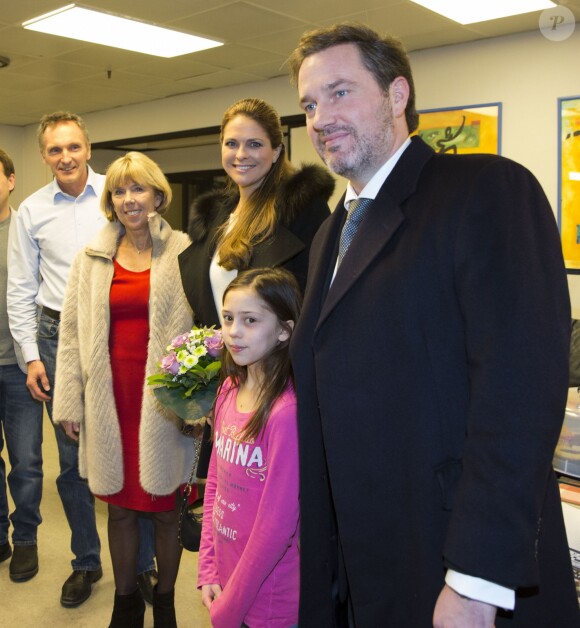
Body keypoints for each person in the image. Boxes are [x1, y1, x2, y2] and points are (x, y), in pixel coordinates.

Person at [287, 23, 579, 627]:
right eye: (310, 104)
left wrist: (477, 579)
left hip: (449, 555)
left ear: (398, 95)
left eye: (340, 92)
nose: (319, 118)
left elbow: (519, 395)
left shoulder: (485, 191)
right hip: (358, 559)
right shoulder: (328, 236)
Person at [7, 112, 157, 607]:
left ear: (88, 147)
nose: (65, 157)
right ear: (44, 156)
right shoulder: (30, 210)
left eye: (73, 147)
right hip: (57, 336)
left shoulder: (120, 194)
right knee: (72, 461)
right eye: (55, 150)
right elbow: (20, 290)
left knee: (138, 450)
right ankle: (86, 563)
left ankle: (144, 565)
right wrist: (31, 356)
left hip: (122, 330)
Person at [52, 151, 196, 627]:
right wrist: (69, 401)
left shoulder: (184, 251)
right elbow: (71, 334)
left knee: (165, 512)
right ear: (110, 200)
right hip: (109, 399)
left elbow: (202, 335)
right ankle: (127, 601)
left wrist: (196, 407)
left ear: (158, 194)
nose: (129, 199)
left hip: (163, 404)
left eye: (139, 188)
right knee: (118, 509)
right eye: (119, 190)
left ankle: (168, 604)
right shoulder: (91, 258)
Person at [178, 97, 334, 486]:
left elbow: (318, 301)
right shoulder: (217, 217)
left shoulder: (303, 213)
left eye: (254, 144)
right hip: (231, 381)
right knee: (231, 495)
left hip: (282, 383)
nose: (241, 154)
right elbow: (209, 306)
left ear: (277, 150)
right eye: (231, 144)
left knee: (274, 495)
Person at [198, 267, 301, 628]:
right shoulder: (227, 390)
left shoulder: (285, 413)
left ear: (284, 331)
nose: (233, 331)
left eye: (250, 320)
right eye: (227, 318)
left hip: (268, 600)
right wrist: (208, 564)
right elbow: (214, 483)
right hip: (227, 578)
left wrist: (231, 607)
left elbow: (276, 528)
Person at [0, 148, 44, 582]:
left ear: (11, 180)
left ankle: (26, 539)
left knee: (26, 459)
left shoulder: (26, 227)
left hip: (17, 365)